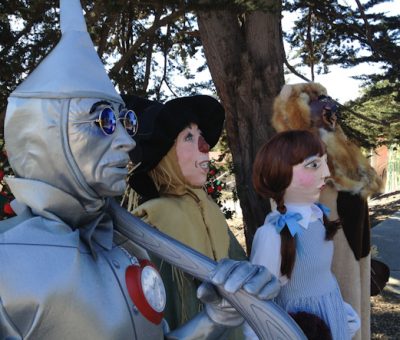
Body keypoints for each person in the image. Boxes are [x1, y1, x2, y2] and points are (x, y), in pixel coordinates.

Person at [0, 1, 281, 339]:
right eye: (104, 120)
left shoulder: (125, 249)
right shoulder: (8, 263)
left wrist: (216, 317)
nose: (124, 140)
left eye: (125, 121)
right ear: (47, 134)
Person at [122, 94, 250, 337]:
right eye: (189, 137)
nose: (205, 146)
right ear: (165, 156)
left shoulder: (208, 208)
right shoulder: (153, 220)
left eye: (200, 136)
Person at [272, 82, 383, 340]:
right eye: (318, 106)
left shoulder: (342, 152)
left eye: (328, 104)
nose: (328, 112)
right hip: (320, 273)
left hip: (354, 255)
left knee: (355, 317)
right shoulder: (294, 164)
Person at [244, 130, 360, 340]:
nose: (326, 172)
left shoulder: (317, 218)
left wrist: (342, 313)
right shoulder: (272, 235)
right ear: (280, 171)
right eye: (313, 165)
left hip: (331, 319)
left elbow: (322, 277)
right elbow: (255, 301)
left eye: (324, 162)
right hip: (302, 329)